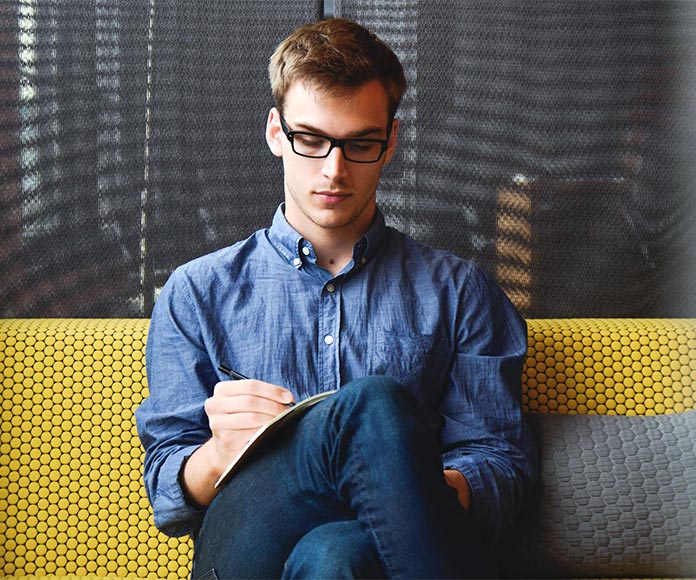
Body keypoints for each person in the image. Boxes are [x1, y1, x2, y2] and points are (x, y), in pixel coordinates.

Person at [136, 18, 536, 579]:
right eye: (311, 139)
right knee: (372, 406)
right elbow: (167, 491)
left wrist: (396, 481)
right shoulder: (197, 291)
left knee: (336, 556)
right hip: (245, 551)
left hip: (372, 553)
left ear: (391, 142)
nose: (334, 169)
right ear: (276, 133)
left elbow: (501, 471)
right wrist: (218, 453)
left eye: (360, 143)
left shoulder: (462, 292)